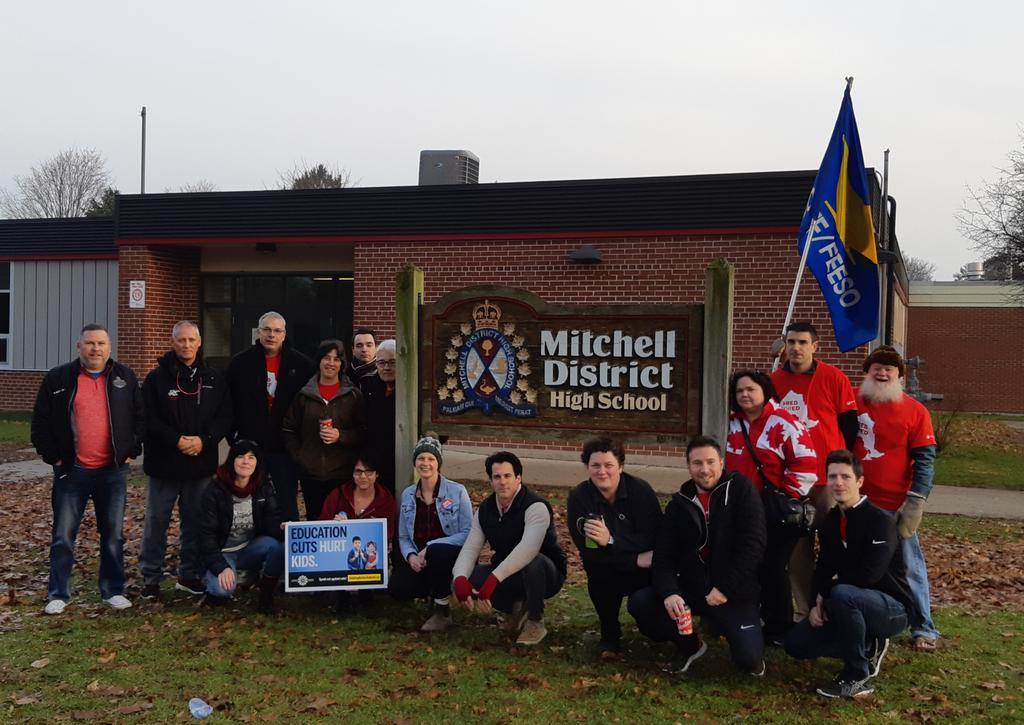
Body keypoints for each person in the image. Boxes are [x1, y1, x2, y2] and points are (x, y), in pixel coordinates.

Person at [31, 324, 145, 615]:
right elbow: (40, 423)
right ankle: (58, 593)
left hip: (112, 472)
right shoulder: (58, 378)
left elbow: (140, 418)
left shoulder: (124, 378)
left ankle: (113, 590)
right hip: (72, 471)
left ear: (110, 347)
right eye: (90, 343)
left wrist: (132, 450)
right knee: (63, 535)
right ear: (78, 346)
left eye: (101, 343)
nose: (96, 348)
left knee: (113, 534)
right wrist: (53, 457)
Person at [629, 436, 767, 675]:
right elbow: (664, 556)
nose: (704, 470)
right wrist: (670, 591)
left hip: (732, 592)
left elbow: (753, 546)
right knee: (641, 603)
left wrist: (725, 588)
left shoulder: (741, 490)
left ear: (722, 463)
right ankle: (689, 645)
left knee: (750, 661)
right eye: (697, 463)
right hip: (691, 589)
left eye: (710, 462)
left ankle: (732, 631)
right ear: (688, 466)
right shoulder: (679, 504)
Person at [785, 449, 916, 699]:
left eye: (845, 477)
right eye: (832, 477)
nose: (838, 483)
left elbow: (870, 574)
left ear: (860, 481)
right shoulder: (832, 521)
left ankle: (857, 675)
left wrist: (828, 593)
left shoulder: (880, 521)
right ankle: (867, 644)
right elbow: (823, 567)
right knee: (796, 644)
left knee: (844, 592)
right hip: (846, 602)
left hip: (892, 607)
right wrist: (815, 604)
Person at [853, 346, 939, 651]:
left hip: (895, 504)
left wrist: (916, 500)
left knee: (908, 564)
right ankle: (862, 618)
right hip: (856, 503)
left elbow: (926, 460)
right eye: (876, 366)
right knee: (858, 562)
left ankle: (923, 627)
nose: (882, 372)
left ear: (899, 375)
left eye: (890, 368)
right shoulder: (852, 403)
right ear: (867, 370)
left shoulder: (916, 412)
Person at [139, 321, 232, 600]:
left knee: (195, 524)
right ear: (173, 342)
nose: (186, 345)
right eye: (181, 340)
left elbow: (226, 417)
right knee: (157, 522)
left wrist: (205, 440)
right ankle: (151, 577)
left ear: (200, 342)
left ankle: (189, 575)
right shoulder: (156, 379)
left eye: (192, 340)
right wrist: (176, 440)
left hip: (200, 465)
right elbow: (147, 419)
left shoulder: (214, 378)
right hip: (164, 465)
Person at [771, 321, 858, 620]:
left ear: (814, 346)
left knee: (834, 545)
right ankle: (804, 609)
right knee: (798, 550)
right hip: (793, 481)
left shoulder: (834, 378)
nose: (796, 348)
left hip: (826, 481)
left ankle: (838, 605)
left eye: (802, 342)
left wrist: (843, 471)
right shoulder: (775, 381)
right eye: (791, 342)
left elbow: (850, 426)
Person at [725, 369, 817, 643]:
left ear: (765, 391)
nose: (744, 394)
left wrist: (782, 497)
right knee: (744, 565)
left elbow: (806, 464)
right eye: (740, 390)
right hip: (738, 510)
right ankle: (745, 619)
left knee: (772, 567)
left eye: (750, 389)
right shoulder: (728, 423)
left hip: (775, 512)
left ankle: (779, 627)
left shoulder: (784, 423)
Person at [452, 451, 567, 646]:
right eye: (497, 477)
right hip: (508, 572)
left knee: (533, 562)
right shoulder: (485, 510)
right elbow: (470, 549)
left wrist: (493, 580)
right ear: (490, 481)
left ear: (518, 478)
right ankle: (514, 608)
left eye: (507, 476)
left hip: (546, 572)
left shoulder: (536, 506)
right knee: (471, 577)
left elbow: (528, 549)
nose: (502, 482)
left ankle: (535, 621)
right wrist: (460, 579)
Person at [566, 437, 662, 655]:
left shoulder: (640, 491)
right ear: (587, 467)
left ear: (621, 466)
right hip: (609, 567)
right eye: (595, 466)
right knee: (598, 571)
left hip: (644, 571)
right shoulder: (579, 497)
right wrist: (633, 557)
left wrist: (611, 540)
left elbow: (653, 537)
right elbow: (588, 550)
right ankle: (609, 632)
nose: (602, 471)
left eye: (608, 465)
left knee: (656, 633)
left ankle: (655, 624)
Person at [227, 311, 314, 523]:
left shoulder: (302, 365)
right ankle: (252, 548)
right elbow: (228, 403)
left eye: (277, 331)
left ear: (284, 334)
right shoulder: (240, 363)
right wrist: (234, 438)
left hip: (285, 447)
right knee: (249, 501)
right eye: (266, 330)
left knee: (286, 502)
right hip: (250, 445)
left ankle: (286, 549)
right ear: (258, 332)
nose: (271, 335)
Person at [389, 436, 472, 632]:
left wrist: (431, 547)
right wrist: (411, 556)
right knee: (398, 589)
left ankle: (442, 610)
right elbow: (402, 536)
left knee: (437, 553)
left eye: (431, 459)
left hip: (450, 555)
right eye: (421, 458)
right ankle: (432, 591)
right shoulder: (408, 495)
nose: (425, 463)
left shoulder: (457, 491)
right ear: (415, 462)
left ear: (438, 463)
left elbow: (468, 532)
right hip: (420, 557)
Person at [198, 439, 285, 613]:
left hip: (249, 548)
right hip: (223, 551)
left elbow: (271, 522)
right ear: (232, 461)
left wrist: (281, 528)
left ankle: (266, 593)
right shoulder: (215, 490)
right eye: (240, 456)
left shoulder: (263, 487)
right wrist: (220, 567)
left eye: (251, 457)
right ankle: (211, 582)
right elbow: (206, 536)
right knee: (221, 591)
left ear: (257, 463)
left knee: (278, 547)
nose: (246, 462)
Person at [282, 339, 364, 520]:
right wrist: (300, 456)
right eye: (327, 358)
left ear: (342, 363)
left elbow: (363, 431)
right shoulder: (304, 395)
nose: (331, 363)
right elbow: (289, 428)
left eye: (336, 359)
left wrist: (340, 436)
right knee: (315, 521)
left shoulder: (352, 395)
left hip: (342, 473)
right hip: (311, 474)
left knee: (342, 524)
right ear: (319, 361)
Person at [362, 339, 397, 494]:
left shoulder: (412, 390)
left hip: (403, 462)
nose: (386, 367)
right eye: (381, 362)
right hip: (375, 463)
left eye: (392, 362)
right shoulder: (368, 387)